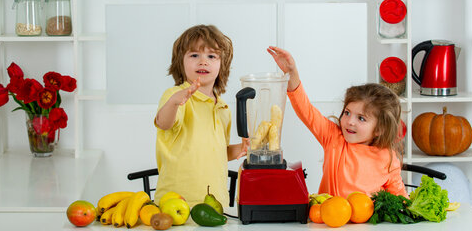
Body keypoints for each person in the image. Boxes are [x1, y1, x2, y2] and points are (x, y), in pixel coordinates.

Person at [267, 46, 407, 198]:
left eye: (361, 118)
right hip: (328, 219)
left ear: (380, 129)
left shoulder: (388, 158)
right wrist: (291, 72)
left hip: (366, 222)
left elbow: (400, 199)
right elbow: (305, 110)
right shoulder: (334, 138)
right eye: (347, 113)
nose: (350, 121)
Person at [154, 25, 248, 207]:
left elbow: (221, 151)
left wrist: (243, 148)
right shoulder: (175, 95)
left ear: (222, 65)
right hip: (175, 202)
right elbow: (164, 123)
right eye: (194, 55)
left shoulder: (223, 108)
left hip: (215, 202)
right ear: (180, 62)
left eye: (211, 56)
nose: (203, 61)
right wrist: (174, 102)